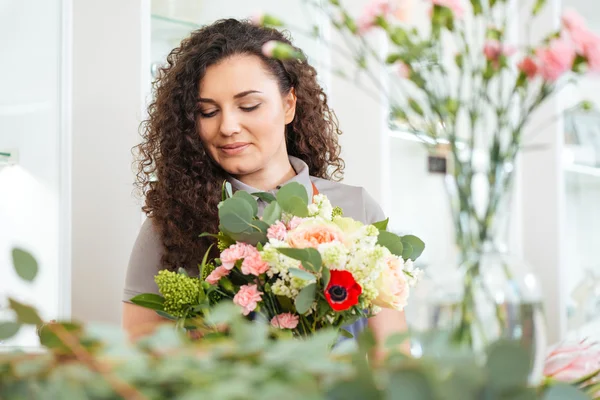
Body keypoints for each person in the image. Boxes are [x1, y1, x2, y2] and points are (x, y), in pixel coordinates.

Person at [122, 18, 407, 355]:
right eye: (208, 111)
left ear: (289, 105)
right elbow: (142, 357)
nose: (227, 126)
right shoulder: (171, 223)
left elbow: (390, 356)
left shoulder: (358, 210)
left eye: (248, 106)